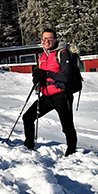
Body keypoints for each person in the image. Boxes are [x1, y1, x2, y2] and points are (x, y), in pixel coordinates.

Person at [22, 28, 77, 156]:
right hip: (47, 95)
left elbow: (65, 76)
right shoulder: (42, 56)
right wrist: (36, 78)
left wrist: (46, 73)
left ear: (55, 40)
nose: (46, 41)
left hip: (62, 95)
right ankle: (29, 145)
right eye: (44, 39)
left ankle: (71, 150)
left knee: (67, 125)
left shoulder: (63, 53)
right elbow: (40, 74)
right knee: (28, 117)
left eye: (49, 39)